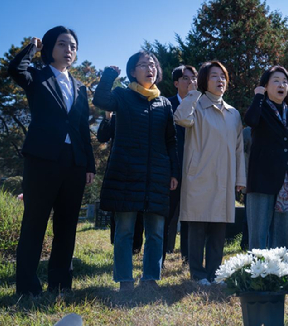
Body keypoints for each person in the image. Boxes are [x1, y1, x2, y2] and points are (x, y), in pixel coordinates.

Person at [8, 26, 96, 296]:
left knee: (67, 225)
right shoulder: (37, 76)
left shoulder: (80, 88)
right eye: (61, 44)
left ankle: (60, 284)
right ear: (49, 48)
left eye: (72, 46)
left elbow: (83, 128)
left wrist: (89, 165)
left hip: (74, 164)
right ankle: (27, 287)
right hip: (42, 161)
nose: (68, 50)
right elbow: (15, 70)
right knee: (34, 223)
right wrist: (30, 49)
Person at [93, 51, 179, 291]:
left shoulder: (164, 104)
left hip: (157, 175)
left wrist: (174, 172)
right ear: (132, 71)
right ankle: (125, 280)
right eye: (143, 65)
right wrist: (109, 76)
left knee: (156, 232)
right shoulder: (122, 95)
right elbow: (100, 100)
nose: (149, 68)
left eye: (152, 65)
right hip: (127, 173)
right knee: (124, 231)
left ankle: (150, 278)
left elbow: (171, 141)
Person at [174, 61, 245, 285]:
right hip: (199, 175)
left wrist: (240, 179)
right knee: (197, 225)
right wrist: (192, 93)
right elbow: (181, 118)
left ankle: (214, 272)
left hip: (224, 177)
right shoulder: (195, 105)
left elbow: (238, 149)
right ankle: (197, 273)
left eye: (223, 76)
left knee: (218, 227)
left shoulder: (233, 113)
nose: (220, 80)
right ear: (204, 80)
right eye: (214, 76)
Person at [244, 66, 288, 249]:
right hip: (261, 177)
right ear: (265, 86)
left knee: (281, 230)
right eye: (276, 81)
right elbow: (250, 121)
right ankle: (257, 272)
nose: (281, 85)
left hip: (285, 178)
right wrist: (258, 96)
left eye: (285, 81)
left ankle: (280, 272)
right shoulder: (260, 107)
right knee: (259, 229)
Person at [163, 65, 198, 267]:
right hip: (172, 168)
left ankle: (187, 256)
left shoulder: (200, 105)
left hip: (194, 168)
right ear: (176, 83)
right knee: (168, 214)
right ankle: (162, 255)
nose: (190, 81)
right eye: (185, 78)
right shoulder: (167, 104)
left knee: (189, 215)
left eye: (193, 78)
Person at [97, 111, 144, 255]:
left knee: (139, 212)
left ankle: (136, 247)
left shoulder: (144, 116)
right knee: (118, 210)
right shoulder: (117, 117)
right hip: (120, 170)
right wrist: (107, 117)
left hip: (140, 170)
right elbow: (102, 137)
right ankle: (119, 245)